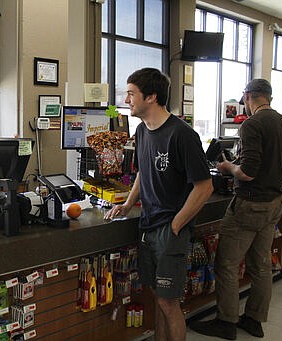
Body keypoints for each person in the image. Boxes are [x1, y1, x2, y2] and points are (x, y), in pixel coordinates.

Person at [104, 68, 213, 341]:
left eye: (131, 93)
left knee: (169, 302)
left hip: (170, 230)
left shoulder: (182, 135)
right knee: (158, 297)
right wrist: (129, 203)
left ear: (151, 97)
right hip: (147, 226)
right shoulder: (142, 131)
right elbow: (143, 171)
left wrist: (176, 225)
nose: (126, 99)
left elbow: (205, 187)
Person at [190, 79, 282, 340]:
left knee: (227, 264)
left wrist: (228, 168)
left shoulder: (252, 124)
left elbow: (247, 172)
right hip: (274, 202)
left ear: (247, 96)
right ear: (269, 97)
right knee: (261, 264)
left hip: (250, 204)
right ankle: (254, 319)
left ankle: (226, 321)